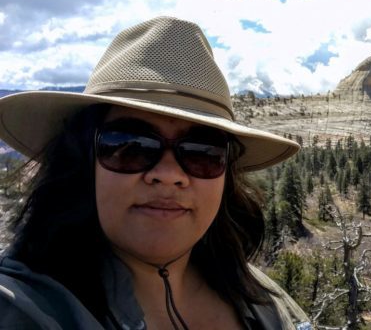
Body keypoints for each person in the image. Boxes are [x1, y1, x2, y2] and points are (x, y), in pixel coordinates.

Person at [0, 17, 312, 329]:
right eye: (130, 146)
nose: (168, 174)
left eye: (202, 152)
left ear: (225, 176)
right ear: (83, 163)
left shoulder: (264, 300)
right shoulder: (23, 310)